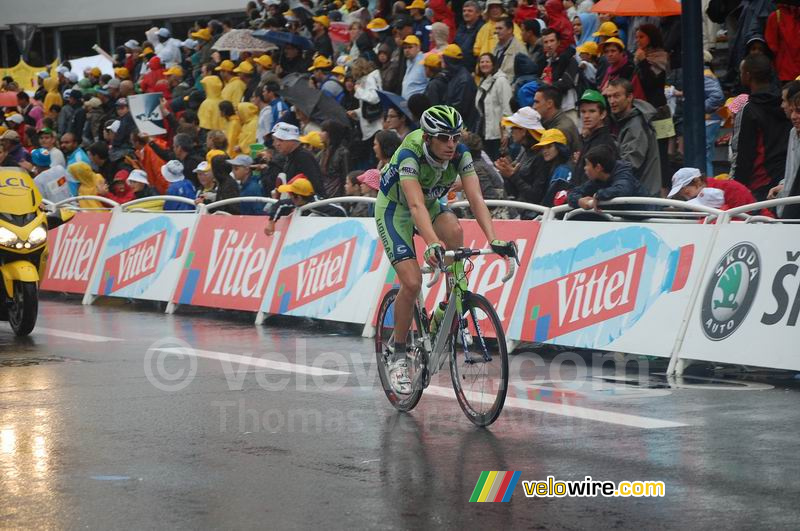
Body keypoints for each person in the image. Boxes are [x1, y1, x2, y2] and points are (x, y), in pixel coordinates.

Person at [375, 105, 517, 394]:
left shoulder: (461, 154)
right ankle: (399, 353)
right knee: (412, 282)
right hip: (395, 210)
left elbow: (476, 198)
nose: (451, 144)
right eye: (443, 138)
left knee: (455, 231)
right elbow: (414, 206)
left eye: (455, 137)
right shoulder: (409, 154)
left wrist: (493, 238)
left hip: (429, 206)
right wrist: (431, 243)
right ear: (428, 138)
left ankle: (447, 309)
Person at [731, 53, 792, 200]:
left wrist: (737, 189)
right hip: (786, 179)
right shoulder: (785, 104)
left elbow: (742, 156)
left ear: (748, 75)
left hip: (759, 186)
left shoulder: (749, 110)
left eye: (741, 72)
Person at [603, 78, 661, 197]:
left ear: (629, 97)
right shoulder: (625, 121)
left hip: (643, 197)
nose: (612, 101)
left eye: (616, 96)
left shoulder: (636, 124)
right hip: (638, 193)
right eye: (609, 97)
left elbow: (629, 163)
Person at [567, 144, 649, 211]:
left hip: (650, 218)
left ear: (598, 167)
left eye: (587, 164)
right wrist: (579, 201)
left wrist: (598, 195)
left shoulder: (623, 173)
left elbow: (623, 190)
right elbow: (573, 192)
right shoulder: (597, 180)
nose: (584, 168)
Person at [264, 174, 346, 235]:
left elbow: (341, 211)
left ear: (298, 197)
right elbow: (280, 204)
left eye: (291, 194)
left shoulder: (318, 205)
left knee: (313, 216)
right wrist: (272, 223)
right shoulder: (302, 200)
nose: (289, 196)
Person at [268, 122, 326, 198]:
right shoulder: (290, 157)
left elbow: (315, 185)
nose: (276, 144)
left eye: (281, 140)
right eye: (275, 140)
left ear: (292, 141)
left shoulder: (303, 157)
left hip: (308, 203)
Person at [573, 89, 616, 187]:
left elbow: (597, 181)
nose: (586, 116)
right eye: (583, 112)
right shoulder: (588, 139)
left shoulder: (605, 143)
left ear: (603, 114)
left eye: (592, 111)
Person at [538, 28, 581, 122]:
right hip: (552, 110)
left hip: (568, 108)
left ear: (558, 42)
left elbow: (566, 83)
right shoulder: (545, 62)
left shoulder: (569, 59)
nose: (549, 45)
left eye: (552, 41)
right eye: (546, 42)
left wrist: (548, 85)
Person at [769, 91, 800, 219]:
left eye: (798, 111)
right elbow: (792, 170)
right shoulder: (793, 133)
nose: (793, 116)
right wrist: (784, 184)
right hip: (790, 210)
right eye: (792, 110)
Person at [475, 53, 512, 160]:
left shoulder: (501, 81)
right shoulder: (484, 82)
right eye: (482, 62)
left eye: (487, 61)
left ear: (493, 64)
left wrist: (507, 132)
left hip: (498, 134)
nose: (484, 64)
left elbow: (507, 107)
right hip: (485, 132)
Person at [668, 167, 759, 210]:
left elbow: (740, 220)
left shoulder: (731, 188)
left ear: (697, 181)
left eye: (687, 193)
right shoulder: (704, 194)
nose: (687, 198)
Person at [533, 85, 581, 156]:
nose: (534, 106)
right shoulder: (546, 122)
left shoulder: (562, 129)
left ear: (549, 103)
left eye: (537, 102)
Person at [533, 129, 574, 206]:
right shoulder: (554, 168)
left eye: (549, 146)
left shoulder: (562, 171)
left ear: (559, 147)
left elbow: (549, 202)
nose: (544, 151)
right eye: (543, 148)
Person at [319, 119, 350, 198]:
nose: (319, 134)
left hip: (336, 194)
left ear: (330, 133)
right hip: (324, 192)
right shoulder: (323, 152)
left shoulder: (343, 153)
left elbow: (345, 176)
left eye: (323, 131)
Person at [493, 16, 527, 81]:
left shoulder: (519, 49)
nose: (497, 31)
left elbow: (524, 74)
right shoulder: (496, 48)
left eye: (500, 28)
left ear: (510, 30)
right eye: (496, 28)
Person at [454, 1, 484, 73]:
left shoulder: (482, 28)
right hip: (459, 68)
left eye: (470, 11)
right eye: (464, 11)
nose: (466, 13)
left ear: (478, 13)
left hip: (473, 70)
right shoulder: (461, 27)